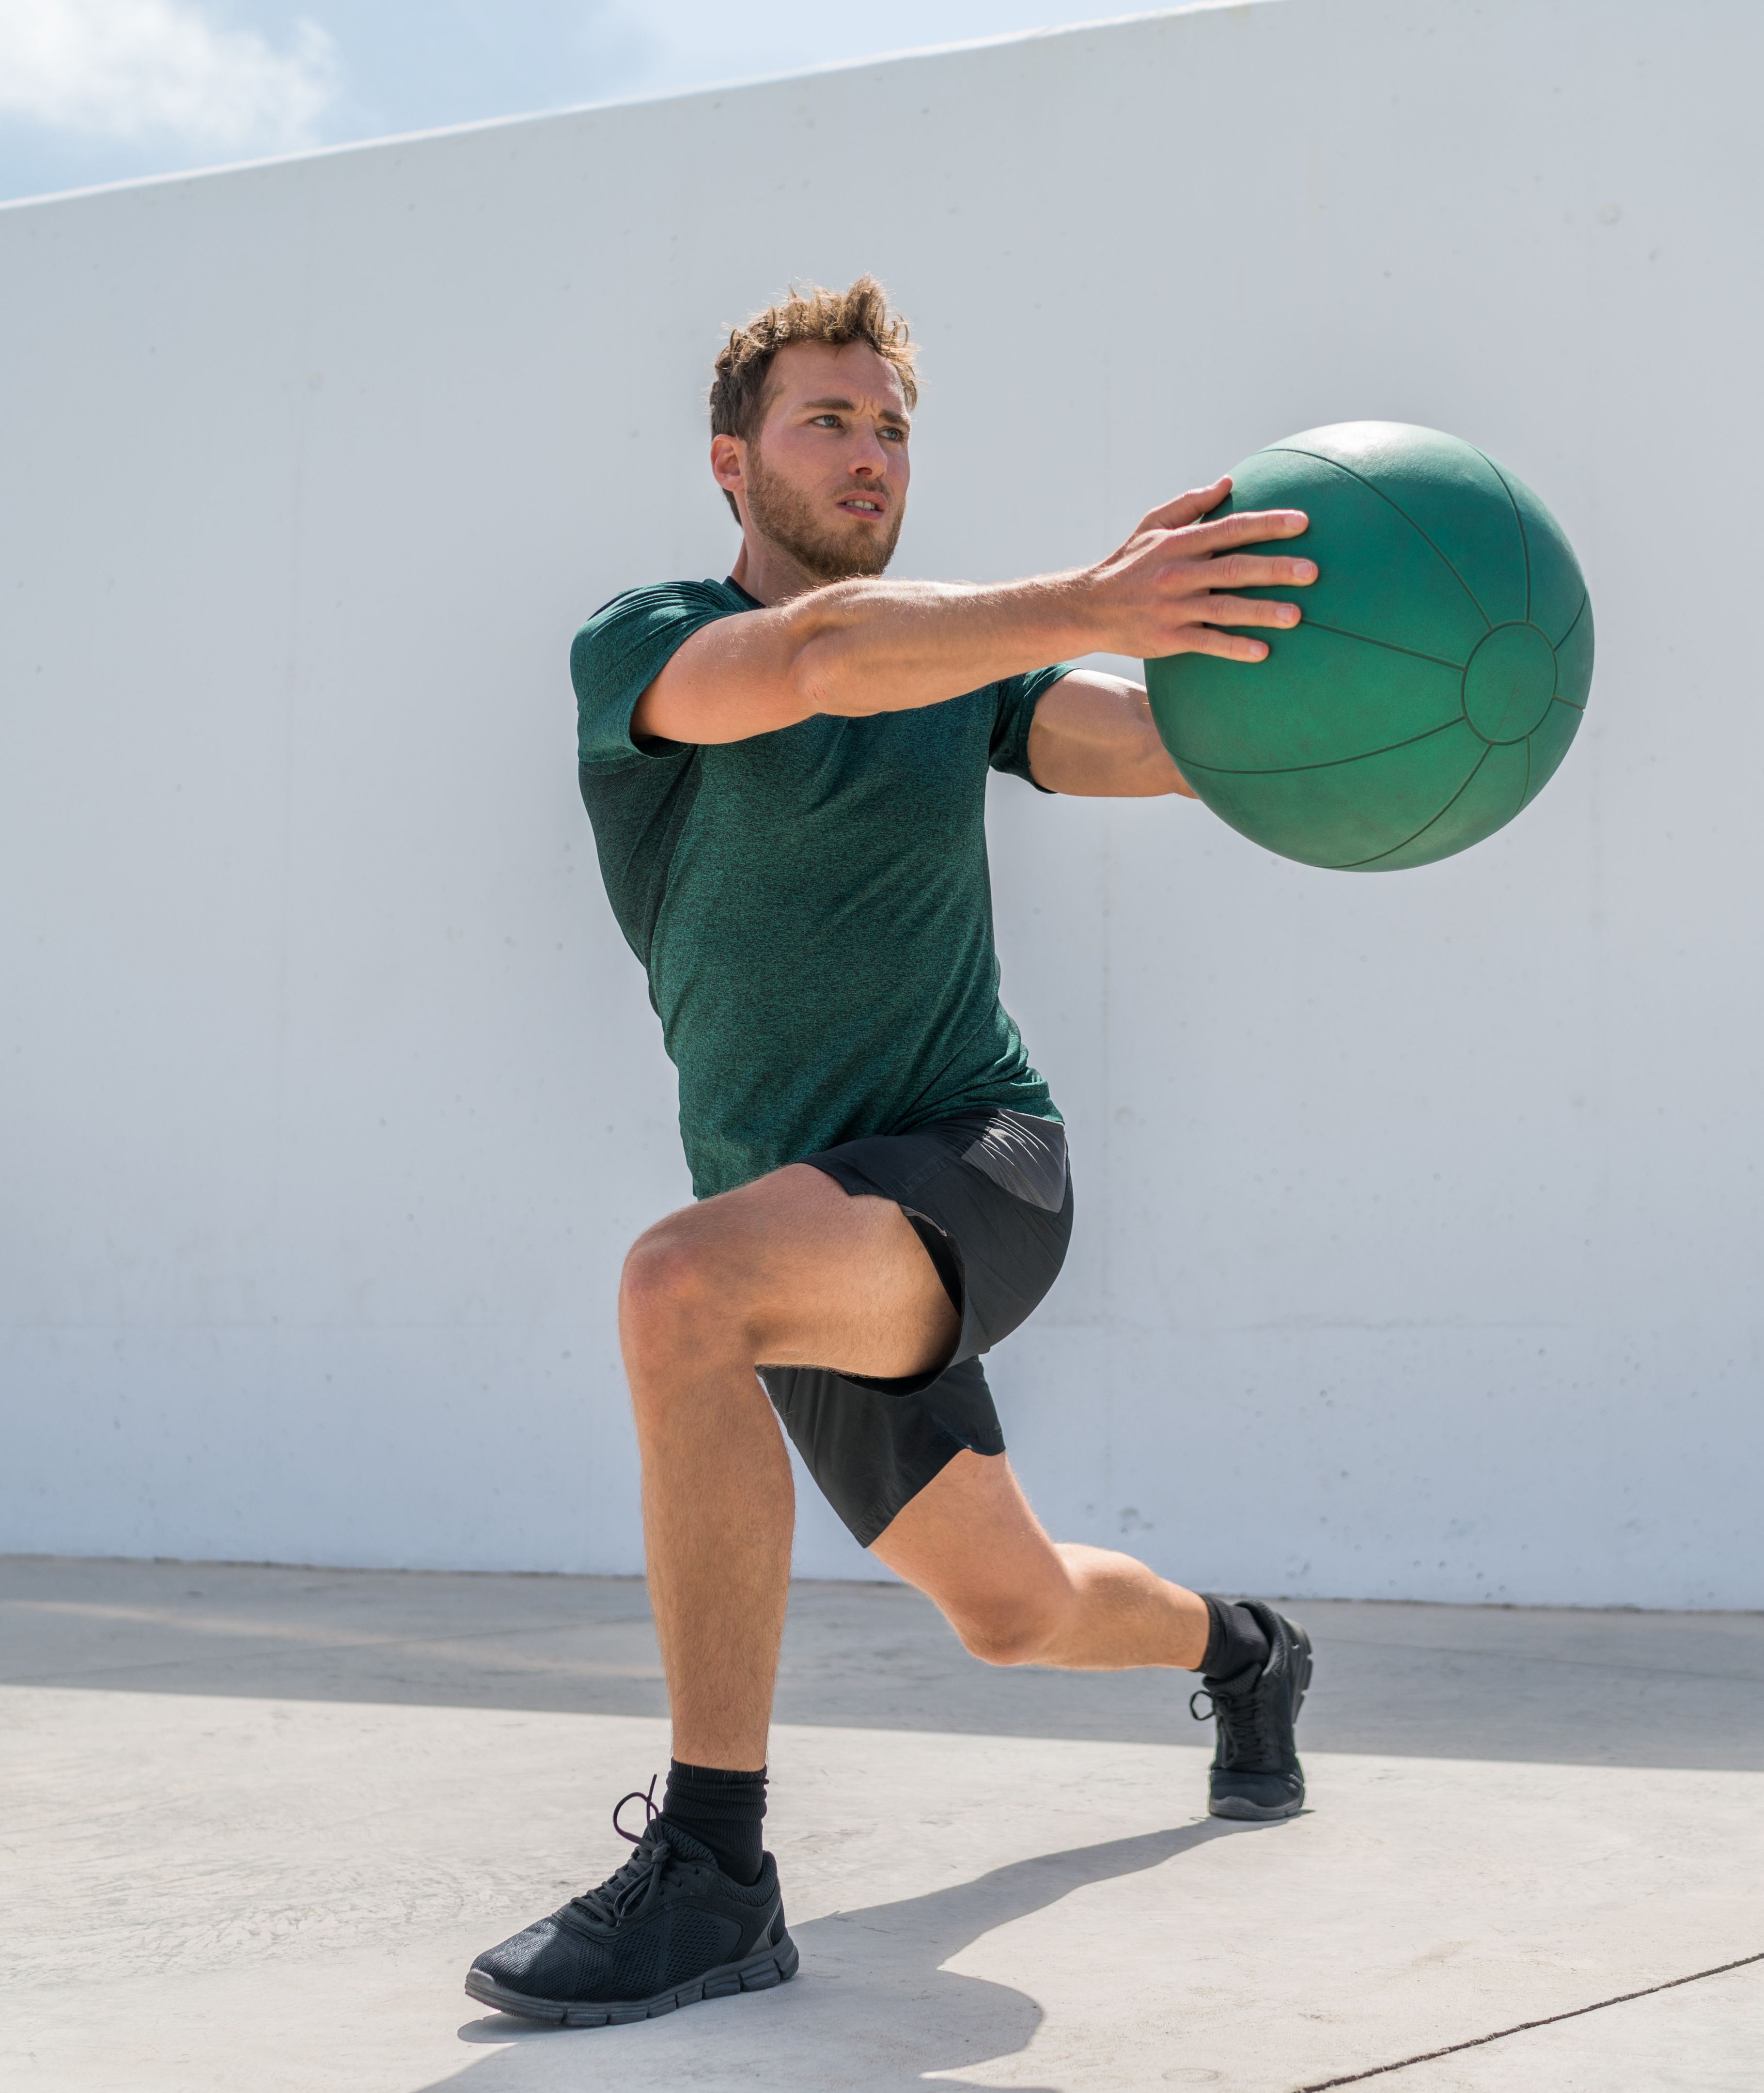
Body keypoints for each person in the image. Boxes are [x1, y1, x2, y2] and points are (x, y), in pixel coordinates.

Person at [464, 277, 1320, 2027]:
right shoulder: (645, 646)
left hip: (979, 1160)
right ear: (732, 462)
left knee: (676, 1285)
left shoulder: (971, 673)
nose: (872, 456)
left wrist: (1320, 698)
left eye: (894, 427)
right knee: (1011, 1610)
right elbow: (818, 661)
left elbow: (1154, 747)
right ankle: (1247, 1652)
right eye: (829, 422)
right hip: (814, 1230)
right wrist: (1079, 599)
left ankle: (713, 1872)